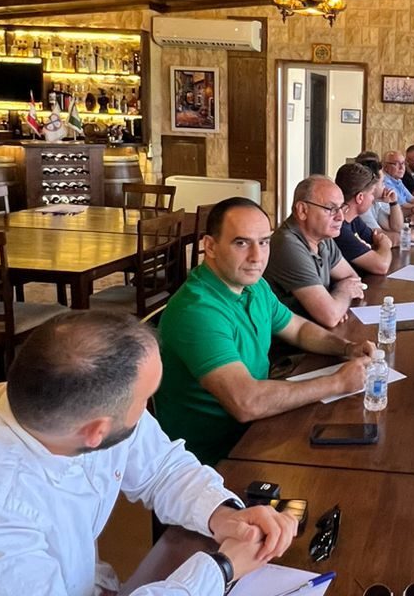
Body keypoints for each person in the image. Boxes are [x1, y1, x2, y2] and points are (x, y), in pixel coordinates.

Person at [0, 311, 298, 596]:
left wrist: (223, 515)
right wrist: (220, 569)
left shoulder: (56, 403)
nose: (150, 409)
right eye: (147, 399)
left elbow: (162, 465)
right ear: (95, 431)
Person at [156, 197, 375, 465]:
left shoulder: (254, 285)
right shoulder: (197, 311)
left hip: (257, 432)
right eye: (241, 243)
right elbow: (247, 402)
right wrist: (337, 383)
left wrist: (347, 348)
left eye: (264, 242)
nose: (257, 257)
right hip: (213, 461)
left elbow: (298, 329)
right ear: (210, 246)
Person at [264, 175, 367, 327]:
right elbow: (330, 316)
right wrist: (339, 300)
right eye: (331, 209)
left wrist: (337, 303)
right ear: (302, 210)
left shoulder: (322, 237)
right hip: (290, 340)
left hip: (317, 331)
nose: (340, 217)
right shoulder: (287, 245)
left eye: (341, 208)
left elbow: (352, 278)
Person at [333, 161, 394, 275]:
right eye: (371, 193)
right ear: (360, 197)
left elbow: (375, 240)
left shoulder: (354, 220)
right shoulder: (339, 229)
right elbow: (381, 266)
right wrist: (385, 244)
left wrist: (379, 245)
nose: (372, 198)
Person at [382, 150, 414, 222]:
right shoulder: (385, 182)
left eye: (403, 163)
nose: (401, 167)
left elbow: (412, 199)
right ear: (385, 166)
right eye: (396, 164)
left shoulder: (397, 179)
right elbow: (402, 205)